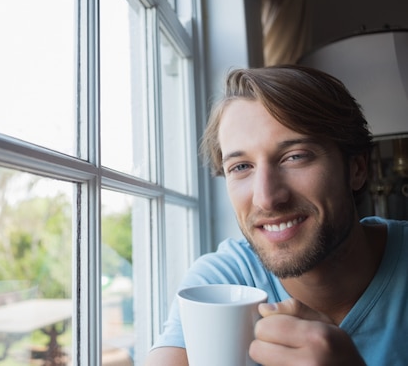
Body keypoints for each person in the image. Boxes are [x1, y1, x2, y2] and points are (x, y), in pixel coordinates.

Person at [145, 65, 408, 366]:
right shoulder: (223, 283)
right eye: (241, 167)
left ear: (357, 168)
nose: (267, 198)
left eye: (295, 156)